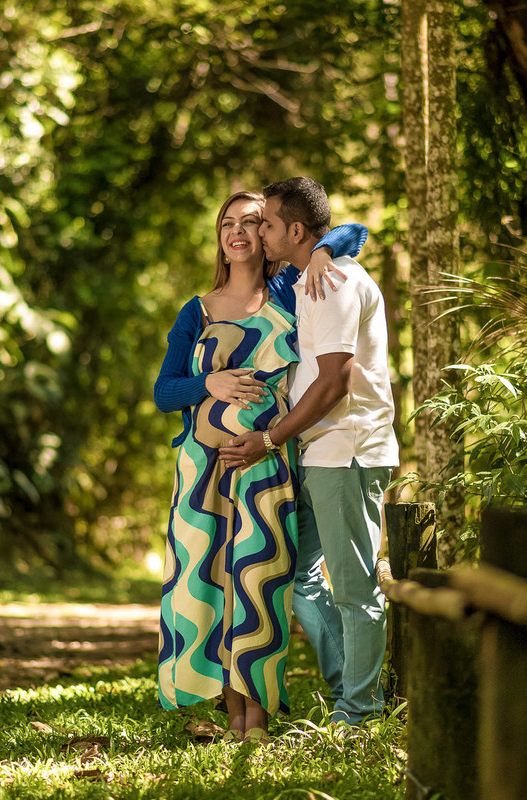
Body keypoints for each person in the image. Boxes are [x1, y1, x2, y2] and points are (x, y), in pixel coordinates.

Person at [153, 190, 368, 742]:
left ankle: (259, 723)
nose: (239, 233)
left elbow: (355, 232)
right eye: (228, 224)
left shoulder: (288, 290)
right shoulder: (196, 310)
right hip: (202, 474)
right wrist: (209, 384)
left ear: (269, 234)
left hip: (267, 464)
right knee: (213, 586)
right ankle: (232, 720)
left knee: (259, 584)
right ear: (219, 238)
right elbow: (164, 392)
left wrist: (321, 251)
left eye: (252, 223)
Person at [219, 177, 399, 727]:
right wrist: (321, 248)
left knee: (354, 586)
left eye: (267, 224)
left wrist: (271, 438)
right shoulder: (306, 275)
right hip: (318, 455)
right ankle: (352, 690)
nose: (258, 233)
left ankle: (360, 711)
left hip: (346, 450)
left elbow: (333, 383)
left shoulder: (334, 283)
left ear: (294, 230)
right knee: (302, 579)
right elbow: (348, 231)